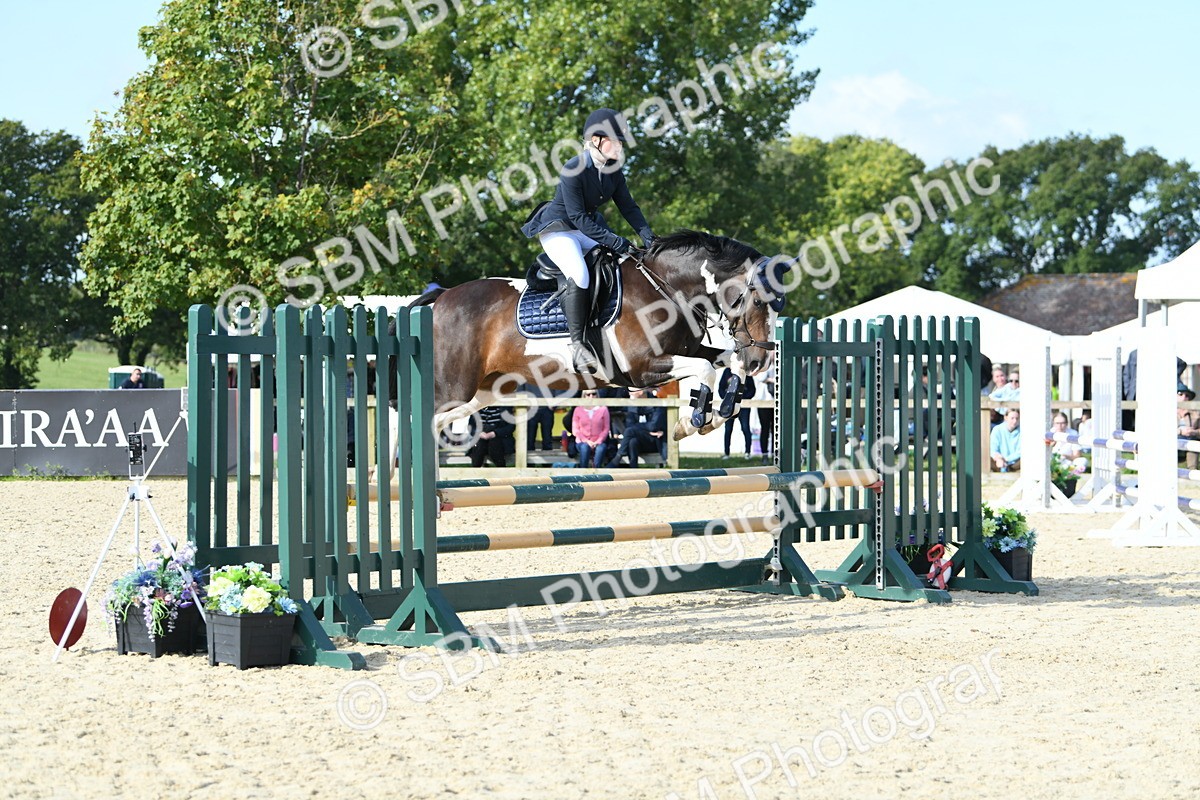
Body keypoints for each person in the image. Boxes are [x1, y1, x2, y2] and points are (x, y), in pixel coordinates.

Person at [520, 108, 655, 373]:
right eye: (614, 142)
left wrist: (649, 239)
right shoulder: (574, 168)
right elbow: (577, 216)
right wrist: (615, 240)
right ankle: (577, 344)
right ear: (596, 140)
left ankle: (606, 326)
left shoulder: (613, 171)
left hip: (584, 229)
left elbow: (629, 207)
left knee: (618, 264)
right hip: (559, 230)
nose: (620, 147)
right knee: (580, 274)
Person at [613, 387, 666, 467]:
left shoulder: (657, 404)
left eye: (632, 391)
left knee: (630, 432)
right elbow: (629, 425)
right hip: (642, 439)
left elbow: (653, 426)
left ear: (641, 392)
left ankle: (617, 458)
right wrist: (647, 431)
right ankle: (633, 470)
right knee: (632, 441)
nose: (629, 393)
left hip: (655, 442)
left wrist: (638, 428)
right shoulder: (632, 405)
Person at [718, 368, 755, 459]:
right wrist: (727, 399)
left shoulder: (746, 372)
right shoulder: (727, 371)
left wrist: (742, 399)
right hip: (729, 406)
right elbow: (721, 388)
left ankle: (747, 452)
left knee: (745, 428)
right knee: (728, 429)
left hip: (743, 406)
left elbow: (752, 390)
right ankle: (726, 453)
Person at [571, 389, 610, 468]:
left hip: (598, 441)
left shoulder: (603, 409)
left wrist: (598, 441)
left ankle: (596, 472)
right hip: (582, 441)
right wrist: (587, 441)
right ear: (584, 396)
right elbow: (575, 430)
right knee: (584, 447)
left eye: (594, 394)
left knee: (601, 448)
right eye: (588, 395)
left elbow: (606, 428)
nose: (591, 396)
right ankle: (583, 473)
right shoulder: (578, 409)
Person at [1178, 384, 1199, 470]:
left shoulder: (1196, 414)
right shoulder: (1166, 411)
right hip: (1172, 442)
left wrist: (1194, 432)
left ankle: (1192, 473)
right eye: (1180, 394)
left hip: (1189, 443)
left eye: (1187, 395)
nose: (1184, 397)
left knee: (1193, 444)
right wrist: (1180, 431)